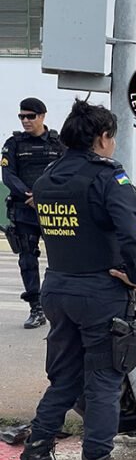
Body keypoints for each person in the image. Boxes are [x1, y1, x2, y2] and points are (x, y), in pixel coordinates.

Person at [13, 99, 136, 460]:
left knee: (65, 380)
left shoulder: (50, 176)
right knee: (104, 383)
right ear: (102, 138)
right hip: (100, 294)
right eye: (112, 138)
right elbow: (131, 234)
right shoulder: (108, 177)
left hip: (58, 288)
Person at [1, 98, 64, 328]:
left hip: (53, 210)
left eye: (30, 116)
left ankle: (60, 305)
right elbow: (8, 175)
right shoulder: (13, 143)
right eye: (22, 116)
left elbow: (65, 173)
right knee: (27, 260)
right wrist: (30, 195)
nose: (26, 120)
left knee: (62, 259)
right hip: (23, 210)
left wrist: (42, 196)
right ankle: (36, 308)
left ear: (43, 116)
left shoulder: (59, 143)